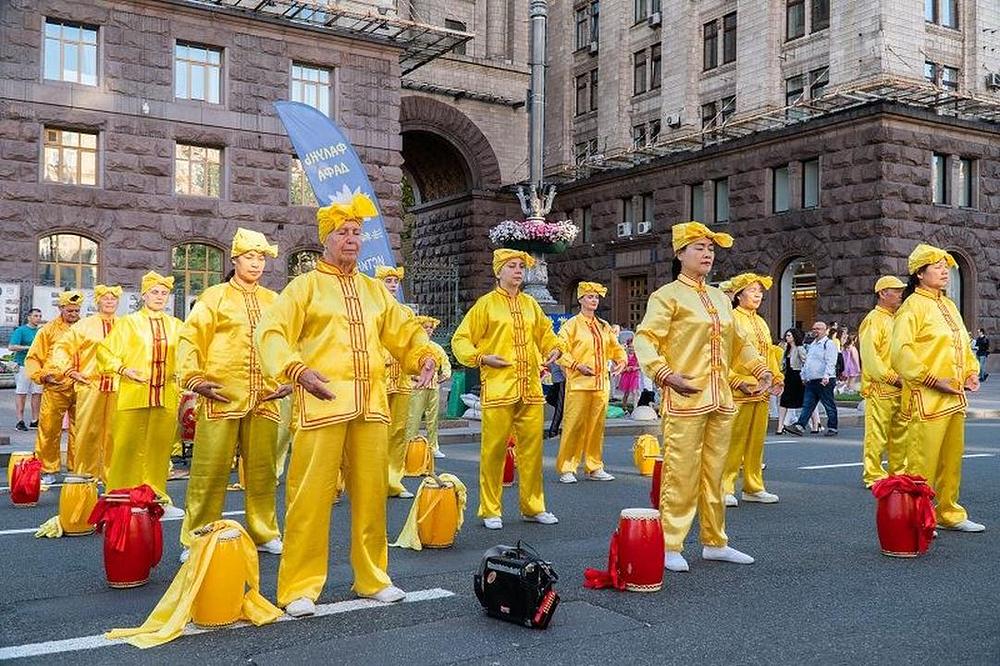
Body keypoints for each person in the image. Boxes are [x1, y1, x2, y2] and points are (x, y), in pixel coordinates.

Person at [256, 193, 436, 616]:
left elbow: (404, 332)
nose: (352, 239)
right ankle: (299, 586)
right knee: (309, 498)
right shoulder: (304, 287)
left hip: (372, 405)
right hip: (321, 405)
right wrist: (296, 370)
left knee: (372, 496)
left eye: (357, 232)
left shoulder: (375, 290)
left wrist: (424, 355)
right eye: (343, 232)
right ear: (327, 239)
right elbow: (272, 333)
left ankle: (373, 577)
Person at [634, 222, 772, 572]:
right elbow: (646, 338)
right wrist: (665, 374)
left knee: (715, 472)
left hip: (721, 398)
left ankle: (715, 541)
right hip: (685, 397)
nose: (707, 253)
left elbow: (739, 344)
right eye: (698, 247)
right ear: (679, 253)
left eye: (710, 248)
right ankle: (670, 543)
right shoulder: (666, 296)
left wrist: (761, 371)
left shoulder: (720, 299)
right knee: (681, 472)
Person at [177, 229, 291, 563]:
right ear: (235, 259)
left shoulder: (274, 300)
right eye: (249, 257)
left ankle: (264, 531)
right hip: (220, 393)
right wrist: (193, 377)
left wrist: (289, 375)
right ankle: (197, 535)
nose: (256, 264)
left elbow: (285, 341)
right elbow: (190, 339)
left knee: (262, 470)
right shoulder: (214, 297)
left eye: (260, 258)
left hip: (265, 396)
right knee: (209, 470)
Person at [452, 248, 564, 530]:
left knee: (533, 451)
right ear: (498, 271)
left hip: (531, 388)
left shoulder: (530, 305)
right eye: (512, 266)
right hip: (500, 388)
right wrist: (481, 358)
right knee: (493, 451)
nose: (518, 271)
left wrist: (553, 349)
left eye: (520, 266)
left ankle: (533, 506)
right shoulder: (486, 305)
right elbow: (461, 340)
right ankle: (490, 508)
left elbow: (546, 334)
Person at [892, 244, 983, 532]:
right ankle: (915, 519)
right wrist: (933, 379)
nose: (945, 271)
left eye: (946, 266)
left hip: (954, 397)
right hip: (927, 398)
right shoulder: (911, 307)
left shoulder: (949, 304)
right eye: (937, 266)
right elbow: (900, 352)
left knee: (951, 460)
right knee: (922, 463)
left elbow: (963, 345)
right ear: (920, 273)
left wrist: (971, 372)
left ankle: (948, 512)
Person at [98, 272, 185, 517]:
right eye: (155, 292)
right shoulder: (128, 323)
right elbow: (105, 352)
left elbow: (189, 354)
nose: (159, 297)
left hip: (166, 396)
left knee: (158, 451)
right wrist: (123, 369)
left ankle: (157, 499)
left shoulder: (177, 325)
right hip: (133, 394)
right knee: (126, 447)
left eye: (164, 293)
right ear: (143, 295)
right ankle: (118, 499)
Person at [721, 273, 784, 507]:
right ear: (738, 295)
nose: (757, 294)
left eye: (760, 290)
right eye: (752, 290)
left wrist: (776, 378)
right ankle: (725, 487)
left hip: (762, 391)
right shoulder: (732, 319)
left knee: (756, 442)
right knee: (733, 441)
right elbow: (722, 356)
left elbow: (770, 354)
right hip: (738, 392)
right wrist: (736, 381)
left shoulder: (761, 322)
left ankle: (753, 486)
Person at [554, 281, 626, 483]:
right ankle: (567, 468)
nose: (593, 300)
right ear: (580, 300)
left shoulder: (603, 326)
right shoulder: (571, 325)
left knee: (596, 427)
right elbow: (560, 350)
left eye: (596, 297)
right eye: (589, 297)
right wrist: (576, 365)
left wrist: (621, 359)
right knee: (573, 426)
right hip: (578, 384)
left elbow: (615, 347)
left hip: (601, 384)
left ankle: (594, 466)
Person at [49, 285, 121, 481]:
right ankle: (84, 476)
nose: (109, 301)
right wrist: (70, 371)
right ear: (97, 301)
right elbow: (61, 348)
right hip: (91, 385)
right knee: (87, 431)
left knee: (115, 432)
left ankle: (112, 476)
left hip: (118, 387)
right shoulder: (85, 325)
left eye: (113, 298)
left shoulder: (125, 325)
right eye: (105, 298)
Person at [25, 291, 83, 484]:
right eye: (70, 310)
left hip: (82, 386)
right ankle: (48, 469)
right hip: (56, 385)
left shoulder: (86, 328)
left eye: (76, 310)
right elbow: (33, 357)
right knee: (49, 428)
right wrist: (42, 375)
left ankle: (78, 468)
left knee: (81, 428)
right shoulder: (48, 330)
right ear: (60, 309)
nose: (73, 314)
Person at [858, 275, 907, 488]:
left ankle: (899, 472)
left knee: (901, 433)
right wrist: (891, 377)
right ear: (882, 294)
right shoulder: (873, 319)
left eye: (900, 290)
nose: (899, 294)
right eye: (895, 291)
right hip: (881, 387)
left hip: (901, 387)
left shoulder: (897, 318)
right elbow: (870, 357)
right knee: (876, 434)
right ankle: (873, 474)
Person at [376, 265, 416, 498]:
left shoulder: (405, 313)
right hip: (377, 379)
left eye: (395, 281)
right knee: (373, 430)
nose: (392, 284)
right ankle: (368, 479)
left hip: (401, 378)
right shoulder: (370, 308)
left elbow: (412, 343)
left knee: (399, 429)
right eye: (388, 280)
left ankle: (393, 480)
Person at [404, 315, 452, 458]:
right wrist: (415, 376)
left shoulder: (436, 347)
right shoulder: (412, 347)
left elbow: (446, 362)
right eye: (426, 327)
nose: (429, 330)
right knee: (414, 417)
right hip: (417, 387)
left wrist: (446, 374)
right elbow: (404, 366)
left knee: (433, 418)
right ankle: (409, 446)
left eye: (431, 328)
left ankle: (433, 446)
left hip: (434, 387)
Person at [785, 321, 839, 437]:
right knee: (808, 404)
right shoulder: (812, 344)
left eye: (818, 329)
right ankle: (800, 426)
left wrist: (826, 376)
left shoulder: (828, 344)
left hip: (824, 379)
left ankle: (832, 427)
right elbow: (808, 362)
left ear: (825, 331)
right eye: (814, 328)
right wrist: (803, 376)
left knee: (828, 404)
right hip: (811, 380)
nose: (815, 331)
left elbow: (831, 361)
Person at [10, 308, 43, 431]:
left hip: (38, 366)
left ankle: (35, 420)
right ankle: (20, 420)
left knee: (37, 393)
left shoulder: (41, 331)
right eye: (35, 316)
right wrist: (28, 348)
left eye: (39, 316)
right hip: (23, 365)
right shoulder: (21, 330)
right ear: (29, 317)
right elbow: (12, 346)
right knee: (21, 392)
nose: (38, 318)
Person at [777, 329, 806, 434]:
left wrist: (804, 376)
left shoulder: (799, 348)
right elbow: (783, 363)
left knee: (805, 401)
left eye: (789, 335)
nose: (787, 337)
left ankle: (816, 424)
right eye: (786, 336)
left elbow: (805, 362)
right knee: (784, 401)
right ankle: (780, 427)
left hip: (797, 377)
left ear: (794, 337)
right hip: (788, 377)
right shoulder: (786, 348)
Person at [617, 338, 641, 412]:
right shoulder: (625, 356)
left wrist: (635, 368)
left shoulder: (637, 356)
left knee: (634, 392)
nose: (631, 349)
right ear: (627, 347)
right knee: (626, 393)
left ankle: (635, 407)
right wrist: (626, 368)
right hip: (626, 375)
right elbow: (620, 367)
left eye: (633, 347)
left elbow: (640, 366)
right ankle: (624, 407)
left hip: (634, 375)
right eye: (630, 347)